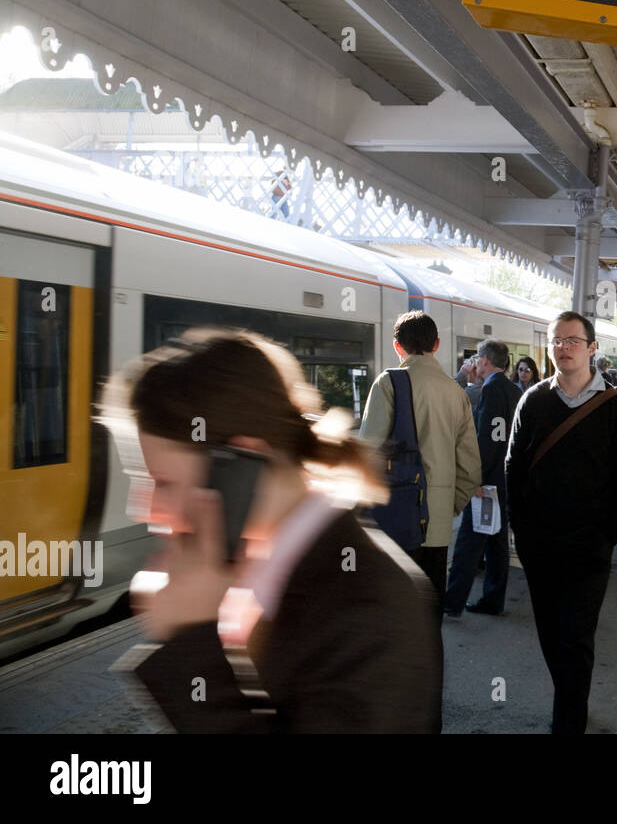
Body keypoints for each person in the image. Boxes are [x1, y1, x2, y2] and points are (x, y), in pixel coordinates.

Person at [103, 329, 436, 732]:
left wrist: (192, 642)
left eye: (164, 482)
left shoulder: (373, 610)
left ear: (241, 463)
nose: (144, 508)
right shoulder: (254, 570)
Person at [505, 311, 617, 733]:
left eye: (573, 341)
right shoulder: (534, 400)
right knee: (549, 631)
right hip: (540, 544)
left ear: (592, 348)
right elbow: (514, 465)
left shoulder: (615, 406)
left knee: (576, 636)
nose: (563, 348)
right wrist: (522, 531)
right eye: (556, 341)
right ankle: (570, 698)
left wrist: (607, 536)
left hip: (589, 547)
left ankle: (568, 720)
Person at [359, 310, 479, 732]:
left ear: (398, 347)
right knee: (428, 629)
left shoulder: (388, 383)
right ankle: (428, 722)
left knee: (389, 627)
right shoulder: (456, 392)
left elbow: (367, 456)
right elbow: (469, 468)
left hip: (394, 529)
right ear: (436, 345)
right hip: (437, 534)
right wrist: (448, 509)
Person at [444, 339, 523, 618]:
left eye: (477, 358)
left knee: (468, 542)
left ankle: (451, 603)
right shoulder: (513, 390)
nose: (475, 363)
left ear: (486, 361)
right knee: (497, 541)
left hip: (487, 481)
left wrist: (474, 479)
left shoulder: (490, 390)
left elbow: (488, 439)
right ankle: (493, 599)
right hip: (504, 478)